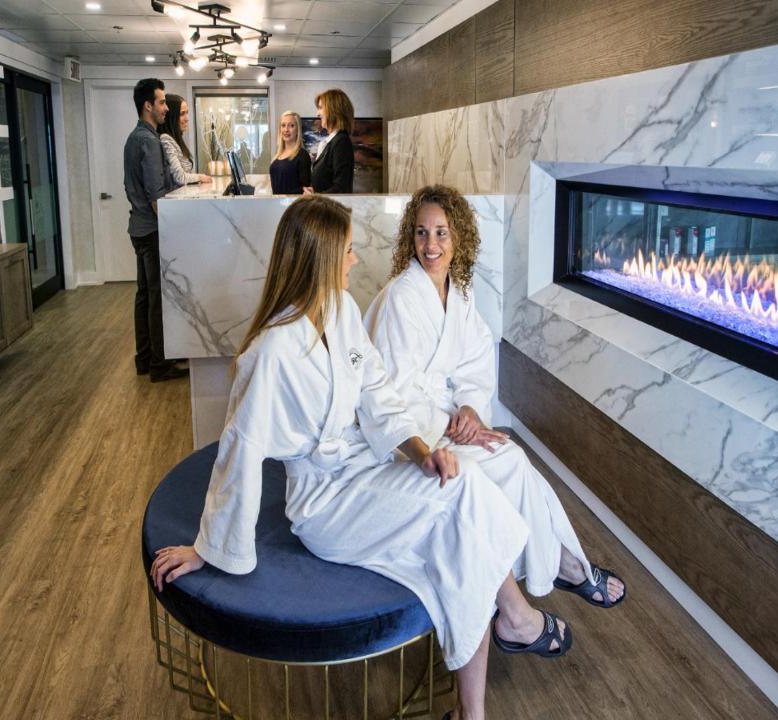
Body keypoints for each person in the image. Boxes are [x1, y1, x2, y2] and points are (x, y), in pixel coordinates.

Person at [152, 195, 583, 720]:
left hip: (365, 466)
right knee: (463, 493)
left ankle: (474, 709)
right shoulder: (269, 354)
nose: (356, 260)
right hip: (325, 503)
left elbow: (377, 392)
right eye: (348, 251)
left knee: (460, 497)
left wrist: (422, 453)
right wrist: (208, 547)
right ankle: (515, 621)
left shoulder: (342, 313)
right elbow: (239, 450)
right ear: (320, 259)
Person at [364, 184, 627, 613]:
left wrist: (469, 409)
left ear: (459, 237)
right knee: (507, 461)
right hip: (411, 438)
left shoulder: (459, 293)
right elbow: (392, 392)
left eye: (441, 233)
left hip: (444, 420)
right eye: (421, 233)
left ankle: (559, 562)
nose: (430, 245)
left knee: (511, 458)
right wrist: (446, 432)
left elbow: (476, 360)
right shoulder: (401, 297)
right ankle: (560, 566)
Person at [123, 78, 187, 383]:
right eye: (162, 102)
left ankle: (145, 358)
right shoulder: (149, 140)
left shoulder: (134, 137)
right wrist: (173, 232)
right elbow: (156, 195)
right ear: (148, 105)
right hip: (151, 230)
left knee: (144, 295)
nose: (166, 108)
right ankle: (160, 364)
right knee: (158, 298)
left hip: (138, 228)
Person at [304, 89, 354, 194]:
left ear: (333, 110)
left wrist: (316, 196)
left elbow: (341, 188)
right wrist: (315, 191)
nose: (317, 114)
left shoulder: (341, 142)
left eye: (320, 108)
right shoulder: (333, 142)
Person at [158, 93, 211, 187]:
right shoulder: (166, 139)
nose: (187, 119)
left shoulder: (175, 140)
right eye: (182, 114)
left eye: (187, 113)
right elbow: (179, 177)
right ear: (171, 116)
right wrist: (200, 177)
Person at [268, 110, 311, 194]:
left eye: (291, 126)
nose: (286, 129)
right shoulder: (278, 156)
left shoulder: (302, 155)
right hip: (276, 201)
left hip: (293, 202)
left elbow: (305, 190)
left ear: (298, 130)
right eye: (283, 125)